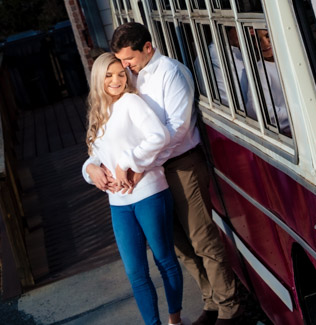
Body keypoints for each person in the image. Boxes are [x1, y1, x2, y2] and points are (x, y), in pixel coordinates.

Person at [111, 22, 246, 325]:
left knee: (201, 238)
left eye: (128, 59)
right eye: (120, 60)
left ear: (148, 47)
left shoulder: (171, 73)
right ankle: (211, 302)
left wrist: (137, 162)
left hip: (182, 164)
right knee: (179, 244)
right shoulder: (133, 78)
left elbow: (177, 130)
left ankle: (232, 308)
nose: (124, 66)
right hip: (153, 173)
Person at [82, 53, 183, 325]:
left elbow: (159, 136)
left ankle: (175, 320)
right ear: (98, 79)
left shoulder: (131, 102)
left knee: (164, 260)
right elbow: (97, 155)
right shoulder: (99, 112)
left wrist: (127, 162)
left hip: (149, 193)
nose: (116, 80)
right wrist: (90, 170)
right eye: (109, 75)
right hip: (118, 203)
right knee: (135, 272)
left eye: (120, 74)